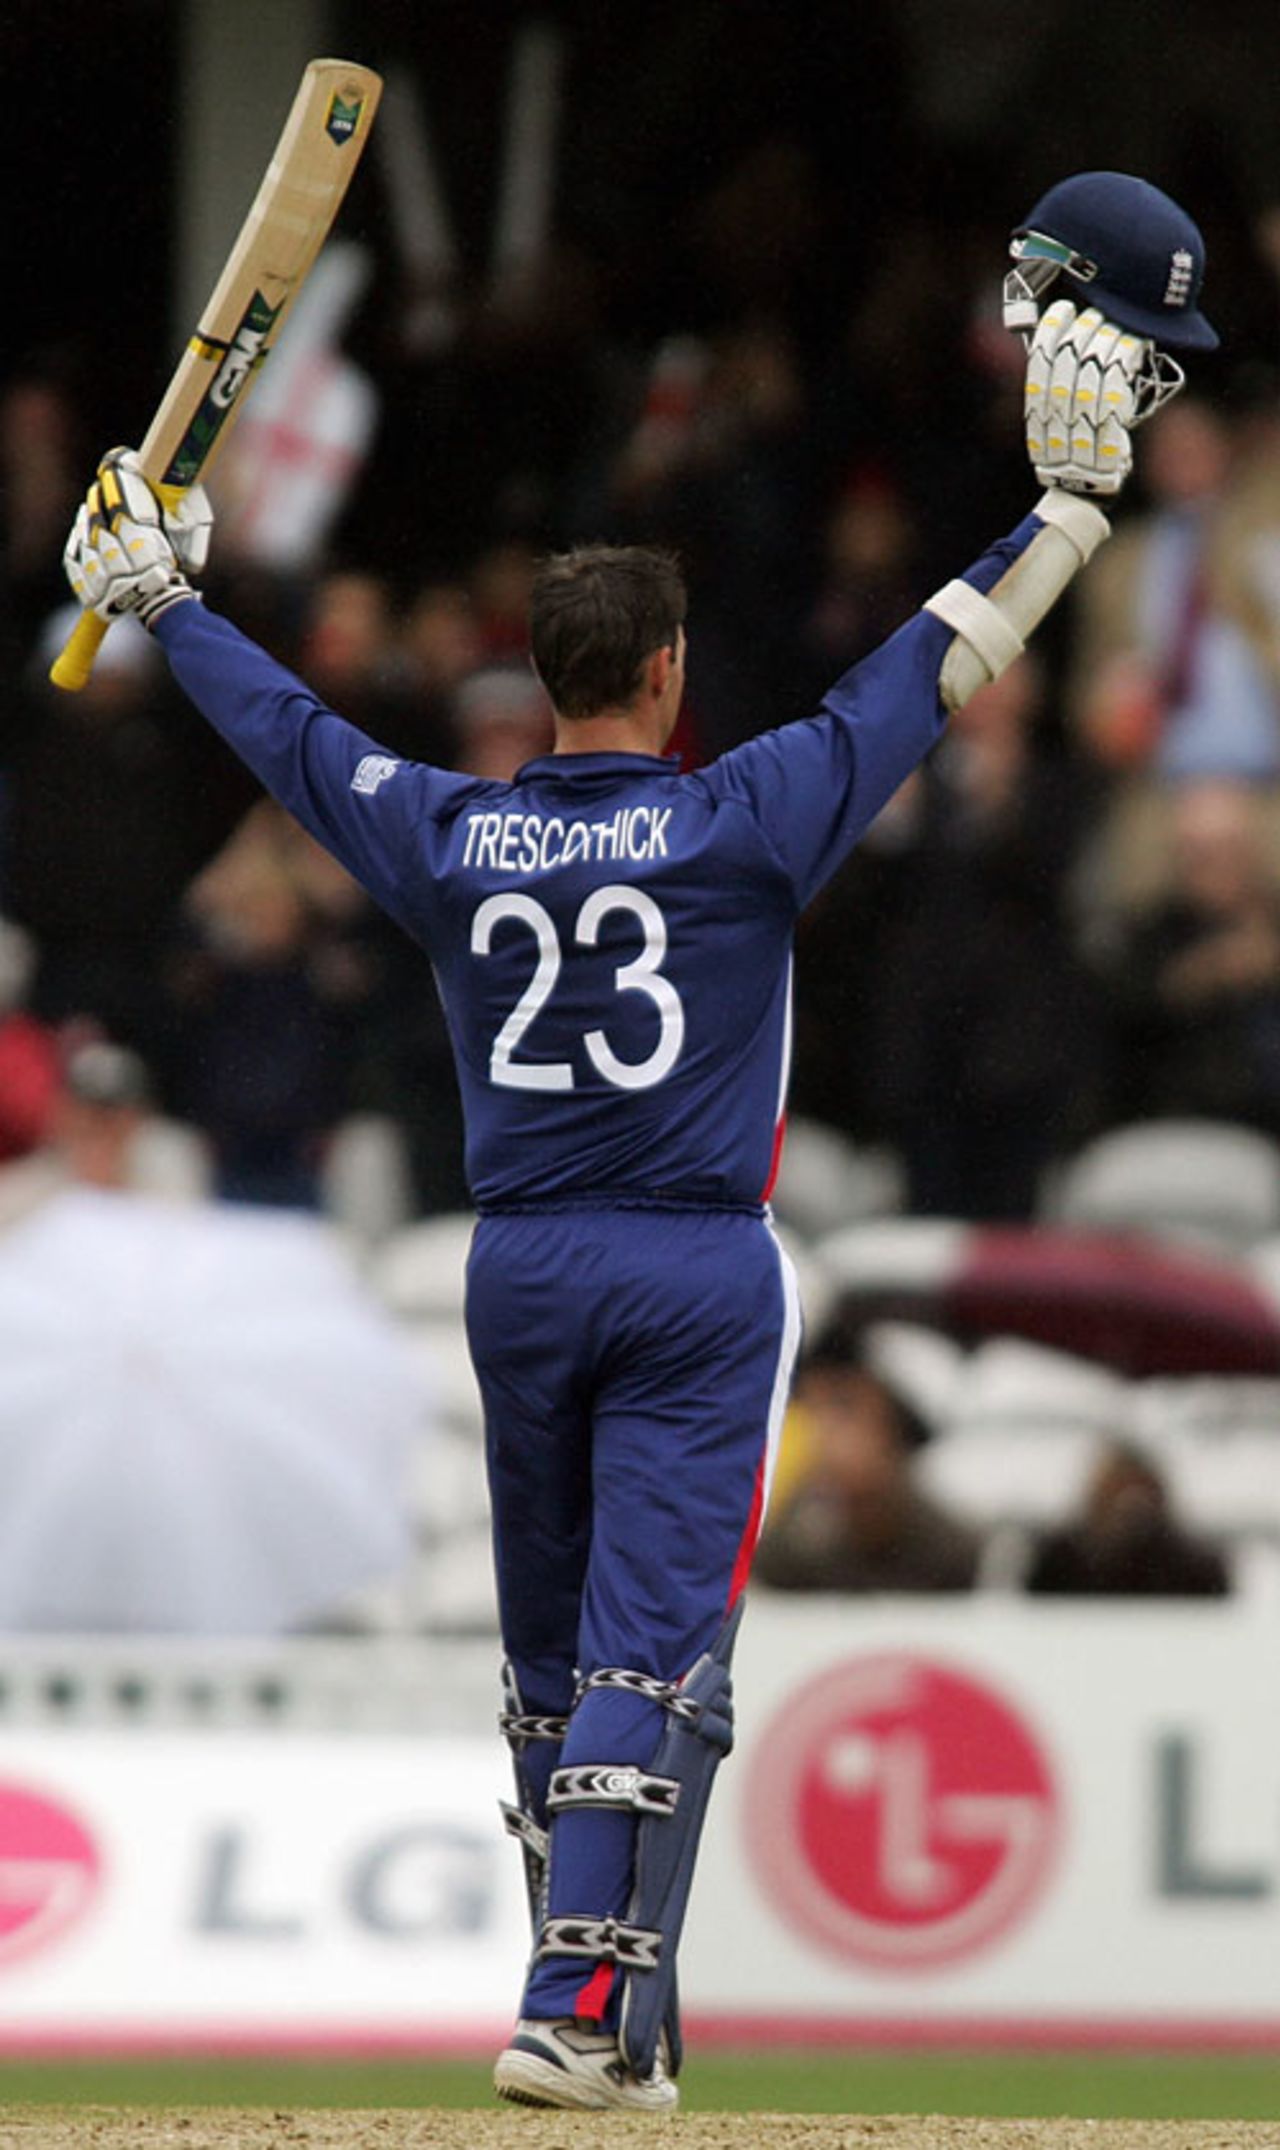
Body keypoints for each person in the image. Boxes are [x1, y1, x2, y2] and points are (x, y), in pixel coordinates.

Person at [58, 176, 1209, 2113]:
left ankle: (636, 2017)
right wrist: (1066, 514)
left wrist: (164, 593)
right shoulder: (746, 811)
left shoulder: (445, 829)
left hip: (510, 1264)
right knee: (649, 1653)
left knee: (551, 1660)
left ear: (541, 677)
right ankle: (574, 2012)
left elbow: (290, 734)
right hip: (687, 1264)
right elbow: (939, 663)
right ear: (665, 674)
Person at [754, 1318, 980, 1592]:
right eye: (812, 1409)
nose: (823, 1432)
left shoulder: (957, 1552)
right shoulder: (793, 1549)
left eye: (843, 1408)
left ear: (899, 1423)